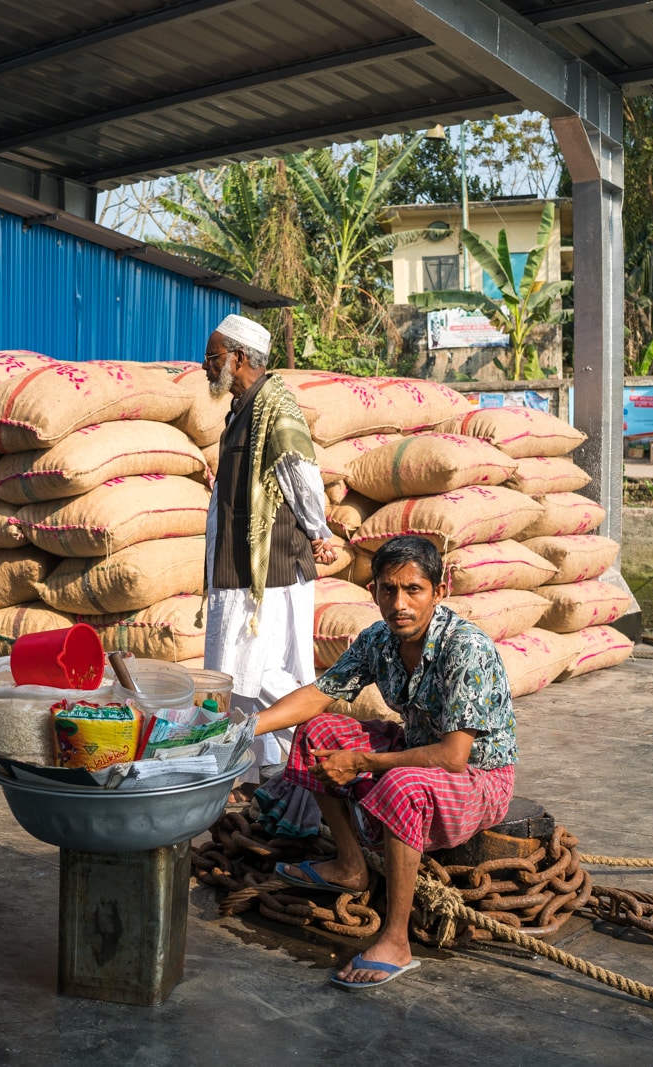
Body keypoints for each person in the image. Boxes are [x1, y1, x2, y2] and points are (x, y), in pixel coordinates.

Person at [254, 535, 518, 990]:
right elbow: (320, 695)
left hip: (478, 777)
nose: (400, 604)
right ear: (373, 591)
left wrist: (362, 762)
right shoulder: (379, 639)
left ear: (439, 590)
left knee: (401, 783)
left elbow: (453, 756)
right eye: (387, 590)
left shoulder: (465, 649)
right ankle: (350, 865)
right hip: (417, 750)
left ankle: (395, 940)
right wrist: (241, 730)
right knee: (316, 733)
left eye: (413, 590)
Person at [200, 315, 338, 793]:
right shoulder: (241, 409)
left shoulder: (275, 407)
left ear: (238, 357)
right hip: (237, 566)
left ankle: (324, 740)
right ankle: (265, 768)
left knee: (252, 670)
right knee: (236, 673)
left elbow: (301, 473)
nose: (205, 365)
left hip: (270, 568)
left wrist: (319, 529)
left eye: (213, 356)